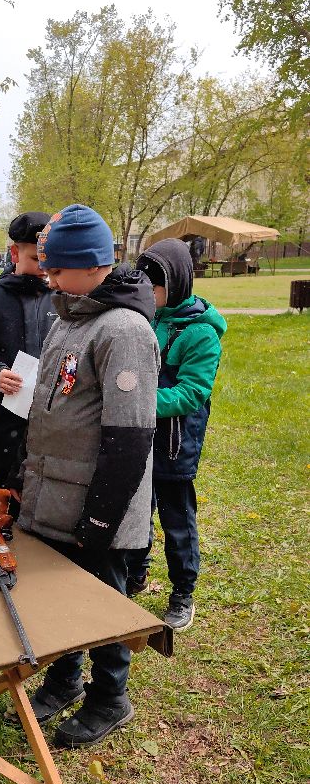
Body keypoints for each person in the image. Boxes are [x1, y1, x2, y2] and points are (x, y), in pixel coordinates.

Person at [13, 204, 160, 748]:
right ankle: (65, 678)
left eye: (56, 268)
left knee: (103, 601)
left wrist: (101, 517)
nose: (46, 277)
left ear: (91, 263)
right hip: (55, 494)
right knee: (60, 597)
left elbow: (129, 438)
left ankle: (109, 697)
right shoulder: (67, 316)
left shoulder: (122, 330)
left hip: (98, 501)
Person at [126, 239, 227, 631]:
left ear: (177, 283)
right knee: (137, 509)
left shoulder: (201, 334)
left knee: (176, 518)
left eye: (154, 288)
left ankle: (183, 591)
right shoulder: (149, 317)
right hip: (141, 437)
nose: (147, 295)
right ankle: (136, 572)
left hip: (175, 443)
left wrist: (138, 402)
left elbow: (192, 393)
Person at [0, 211, 53, 488]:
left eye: (49, 259)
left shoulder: (64, 301)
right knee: (5, 495)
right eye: (35, 258)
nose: (44, 267)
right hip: (5, 423)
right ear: (15, 254)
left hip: (51, 422)